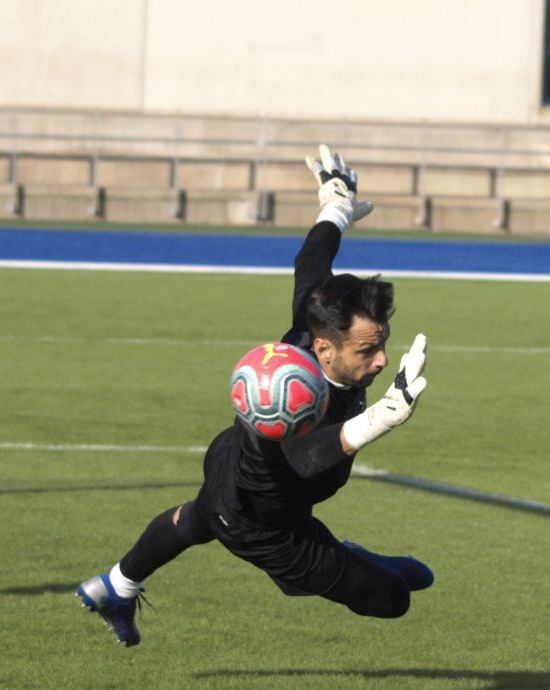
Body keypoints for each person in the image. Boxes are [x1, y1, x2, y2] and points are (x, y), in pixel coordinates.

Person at [77, 144, 432, 647]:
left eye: (384, 344)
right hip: (267, 525)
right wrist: (381, 418)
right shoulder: (300, 405)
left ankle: (115, 586)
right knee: (396, 597)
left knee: (201, 517)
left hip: (230, 462)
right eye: (368, 349)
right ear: (326, 349)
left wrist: (335, 206)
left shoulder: (310, 326)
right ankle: (335, 557)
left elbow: (311, 262)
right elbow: (305, 456)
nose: (380, 360)